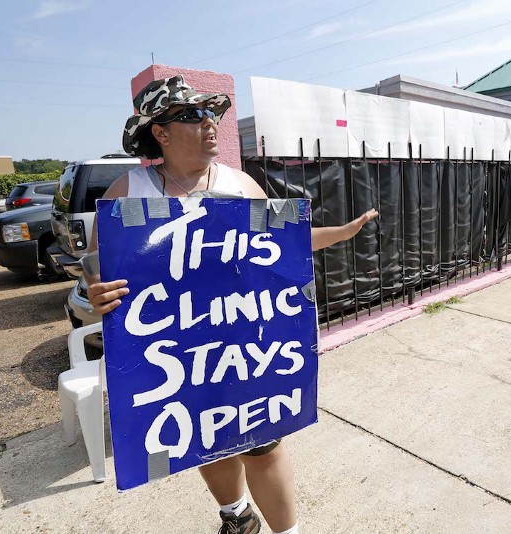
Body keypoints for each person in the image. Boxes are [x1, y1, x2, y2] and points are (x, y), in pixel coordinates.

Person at [87, 75, 378, 534]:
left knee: (262, 442)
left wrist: (341, 233)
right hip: (174, 350)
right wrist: (96, 292)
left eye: (211, 116)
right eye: (191, 115)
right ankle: (237, 515)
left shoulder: (239, 185)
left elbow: (284, 244)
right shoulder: (128, 192)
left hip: (241, 343)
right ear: (159, 133)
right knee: (205, 436)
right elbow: (98, 266)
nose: (209, 125)